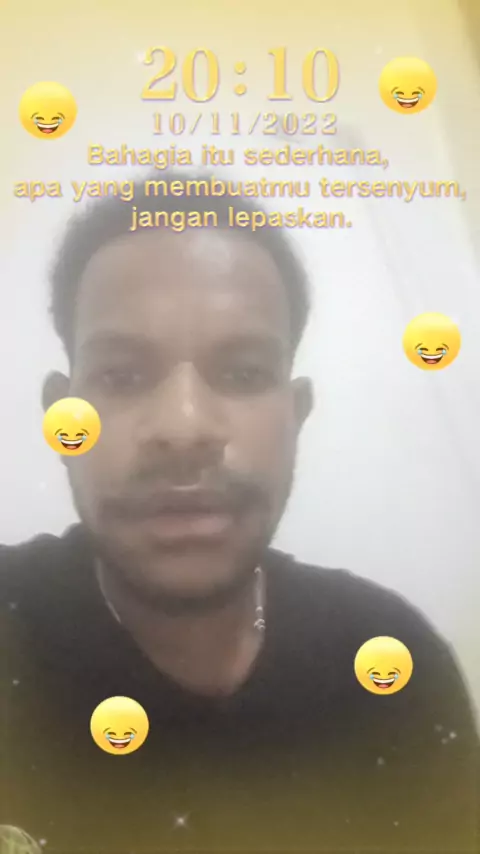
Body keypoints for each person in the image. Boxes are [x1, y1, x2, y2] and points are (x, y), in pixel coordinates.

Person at [1, 171, 478, 852]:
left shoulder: (393, 663)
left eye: (245, 373)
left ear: (296, 417)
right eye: (123, 376)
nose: (184, 427)